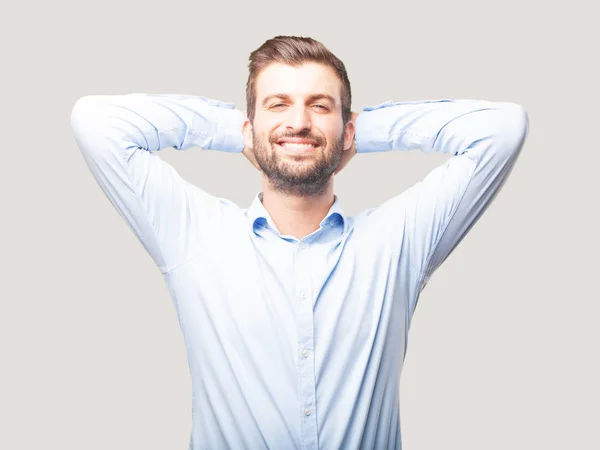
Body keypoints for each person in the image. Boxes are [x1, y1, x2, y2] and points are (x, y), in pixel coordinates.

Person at [70, 35, 529, 449]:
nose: (299, 122)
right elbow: (96, 122)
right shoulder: (193, 233)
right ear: (249, 127)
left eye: (319, 106)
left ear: (346, 128)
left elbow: (502, 129)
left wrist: (356, 131)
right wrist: (238, 131)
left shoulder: (395, 243)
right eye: (278, 105)